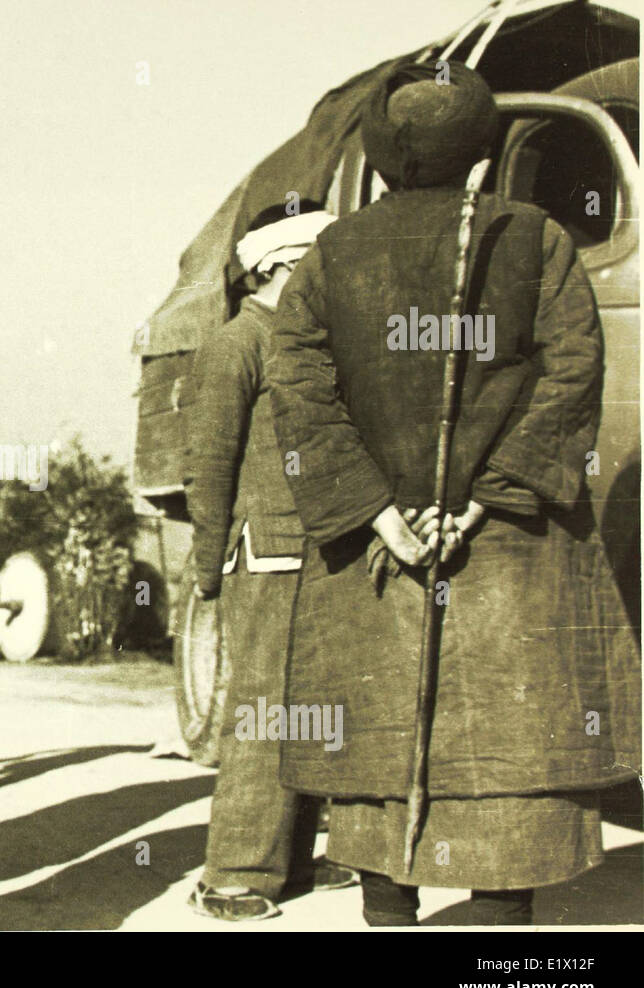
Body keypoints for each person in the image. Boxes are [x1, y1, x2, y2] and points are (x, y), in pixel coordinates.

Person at [266, 61, 641, 926]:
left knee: (372, 743)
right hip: (510, 551)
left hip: (377, 555)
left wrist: (376, 512)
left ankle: (390, 915)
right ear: (483, 155)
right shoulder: (538, 239)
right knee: (511, 750)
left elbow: (302, 390)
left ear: (383, 162)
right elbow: (573, 372)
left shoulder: (331, 254)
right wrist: (487, 498)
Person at [184, 200, 358, 922]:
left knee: (316, 707)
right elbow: (209, 462)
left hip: (322, 551)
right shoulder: (236, 343)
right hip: (267, 556)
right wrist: (206, 567)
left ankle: (295, 859)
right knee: (262, 714)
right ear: (280, 265)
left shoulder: (307, 340)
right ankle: (234, 875)